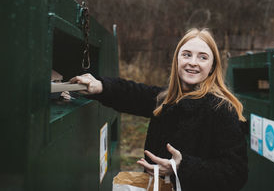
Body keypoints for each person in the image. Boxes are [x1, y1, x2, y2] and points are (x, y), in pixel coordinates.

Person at [70, 28, 248, 191]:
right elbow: (132, 93)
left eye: (203, 57)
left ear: (212, 67)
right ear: (177, 60)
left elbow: (236, 172)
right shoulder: (166, 99)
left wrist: (181, 166)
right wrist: (100, 86)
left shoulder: (221, 108)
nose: (193, 62)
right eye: (186, 55)